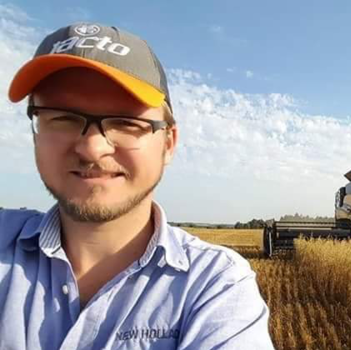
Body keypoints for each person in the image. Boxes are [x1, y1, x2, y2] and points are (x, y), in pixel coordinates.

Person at [0, 22, 274, 350]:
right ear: (36, 131)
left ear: (169, 143)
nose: (92, 149)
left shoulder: (215, 286)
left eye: (126, 123)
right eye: (61, 117)